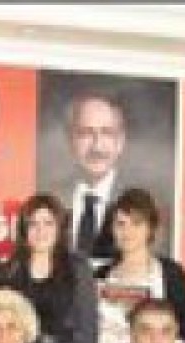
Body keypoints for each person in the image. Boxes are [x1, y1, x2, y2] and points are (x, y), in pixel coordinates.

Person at [1, 193, 98, 343]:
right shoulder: (9, 271)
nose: (40, 231)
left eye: (48, 223)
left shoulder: (78, 270)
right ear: (23, 230)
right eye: (33, 224)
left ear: (60, 228)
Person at [94, 188, 185, 343]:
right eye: (120, 224)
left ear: (150, 228)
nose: (127, 231)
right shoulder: (99, 275)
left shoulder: (172, 274)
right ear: (111, 228)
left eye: (136, 223)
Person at [57, 91, 132, 259]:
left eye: (107, 133)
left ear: (120, 142)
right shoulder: (53, 195)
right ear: (70, 140)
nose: (97, 146)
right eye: (86, 133)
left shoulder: (144, 201)